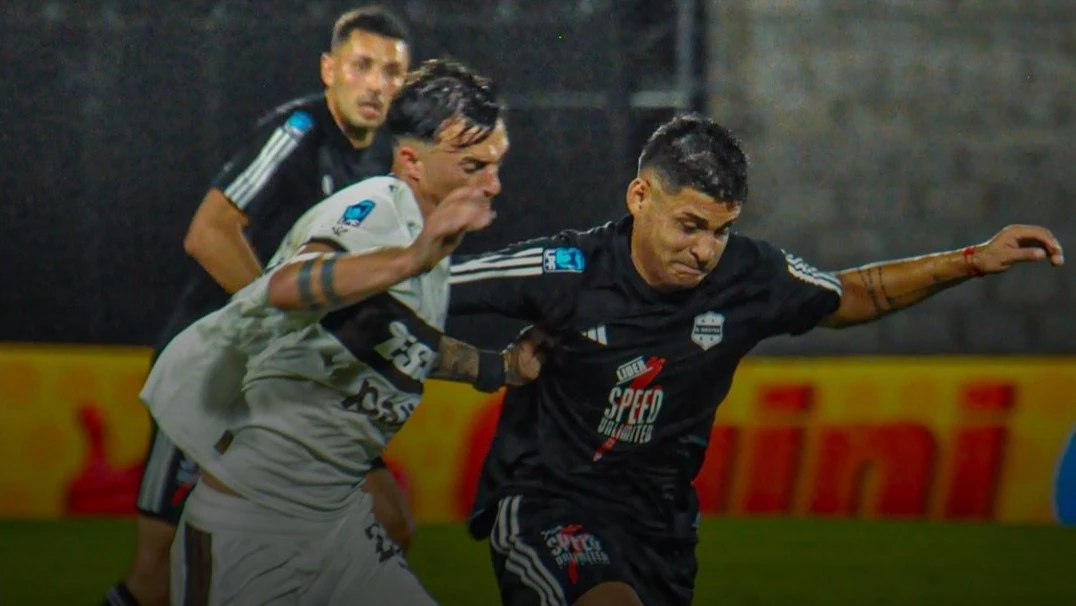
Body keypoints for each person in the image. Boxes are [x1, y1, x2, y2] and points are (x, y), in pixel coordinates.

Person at [446, 113, 1065, 606]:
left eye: (720, 230)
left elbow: (849, 294)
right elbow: (421, 295)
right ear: (640, 196)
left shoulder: (748, 274)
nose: (705, 250)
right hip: (550, 504)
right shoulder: (566, 270)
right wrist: (486, 365)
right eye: (690, 225)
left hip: (659, 527)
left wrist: (970, 260)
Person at [141, 57, 531, 606]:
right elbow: (287, 286)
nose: (493, 183)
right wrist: (410, 258)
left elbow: (401, 341)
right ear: (413, 162)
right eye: (473, 166)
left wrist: (499, 367)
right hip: (251, 531)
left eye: (496, 163)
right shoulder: (374, 208)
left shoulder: (427, 246)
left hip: (338, 525)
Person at [107, 7, 417, 606]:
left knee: (389, 521)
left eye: (392, 72)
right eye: (362, 65)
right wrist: (288, 323)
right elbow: (208, 233)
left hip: (292, 379)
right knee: (158, 575)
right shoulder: (299, 131)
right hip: (215, 371)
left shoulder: (383, 166)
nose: (377, 83)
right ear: (330, 69)